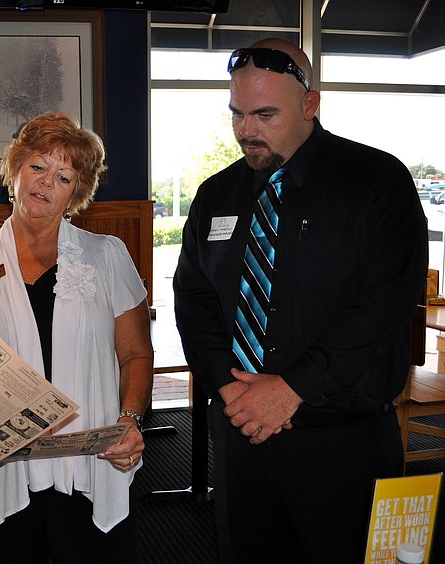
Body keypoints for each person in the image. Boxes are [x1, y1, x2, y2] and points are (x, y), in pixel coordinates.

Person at [173, 38, 428, 563]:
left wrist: (292, 388)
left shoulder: (376, 183)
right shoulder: (216, 195)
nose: (247, 130)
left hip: (343, 443)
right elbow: (193, 299)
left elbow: (384, 304)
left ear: (311, 104)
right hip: (243, 436)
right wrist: (227, 384)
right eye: (237, 114)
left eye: (265, 113)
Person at [0, 113, 153, 562]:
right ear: (14, 170)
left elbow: (135, 354)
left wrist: (131, 418)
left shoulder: (108, 256)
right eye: (37, 166)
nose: (45, 183)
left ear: (77, 193)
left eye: (63, 176)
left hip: (91, 458)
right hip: (1, 466)